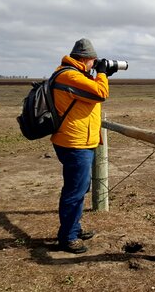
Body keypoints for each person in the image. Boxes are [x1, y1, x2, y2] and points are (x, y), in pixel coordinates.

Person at [50, 38, 117, 253]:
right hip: (74, 143)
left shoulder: (74, 75)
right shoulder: (69, 75)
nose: (95, 64)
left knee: (80, 188)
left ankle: (74, 228)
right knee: (74, 190)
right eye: (94, 61)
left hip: (77, 140)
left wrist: (98, 75)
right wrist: (103, 74)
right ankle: (67, 237)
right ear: (86, 59)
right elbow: (100, 93)